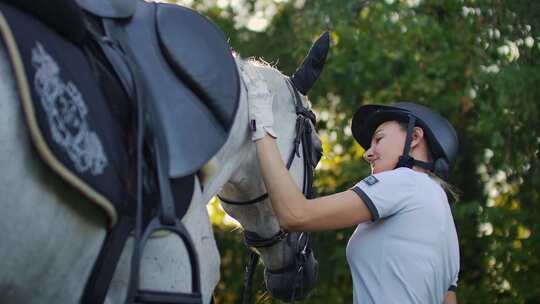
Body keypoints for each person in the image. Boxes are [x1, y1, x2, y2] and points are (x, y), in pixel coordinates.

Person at [246, 67, 460, 304]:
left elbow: (295, 214)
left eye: (379, 139)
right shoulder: (444, 220)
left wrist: (262, 126)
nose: (368, 154)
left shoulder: (405, 181)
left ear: (415, 138)